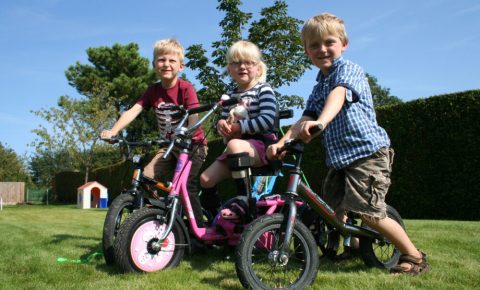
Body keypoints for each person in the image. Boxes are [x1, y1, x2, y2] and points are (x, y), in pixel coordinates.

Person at [267, 13, 430, 275]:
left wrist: (320, 123)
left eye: (329, 42)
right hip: (340, 159)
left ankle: (414, 255)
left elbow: (339, 95)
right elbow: (306, 116)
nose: (322, 49)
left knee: (369, 212)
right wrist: (283, 141)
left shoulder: (348, 70)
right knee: (333, 210)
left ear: (344, 43)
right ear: (307, 51)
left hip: (367, 153)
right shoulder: (319, 84)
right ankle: (354, 247)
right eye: (314, 45)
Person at [101, 39, 208, 227]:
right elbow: (134, 110)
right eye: (161, 60)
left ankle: (197, 231)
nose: (166, 64)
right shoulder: (153, 91)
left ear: (181, 66)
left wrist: (187, 135)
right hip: (168, 147)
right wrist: (113, 131)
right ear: (154, 65)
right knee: (147, 179)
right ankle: (158, 219)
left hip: (192, 147)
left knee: (185, 187)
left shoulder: (185, 88)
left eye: (172, 60)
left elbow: (194, 114)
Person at [199, 40, 278, 218]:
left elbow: (267, 119)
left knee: (234, 144)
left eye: (248, 62)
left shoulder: (263, 90)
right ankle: (217, 218)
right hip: (238, 149)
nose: (242, 67)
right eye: (236, 63)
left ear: (258, 68)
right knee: (205, 179)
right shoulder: (231, 96)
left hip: (262, 145)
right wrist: (221, 125)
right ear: (229, 69)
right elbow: (226, 120)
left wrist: (239, 127)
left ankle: (244, 201)